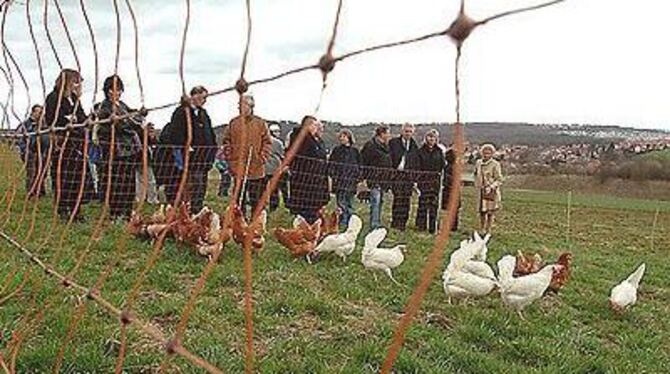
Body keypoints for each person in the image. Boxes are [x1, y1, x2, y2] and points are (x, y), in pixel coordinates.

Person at [93, 75, 144, 219]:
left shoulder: (122, 105)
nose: (118, 93)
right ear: (108, 91)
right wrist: (132, 122)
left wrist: (139, 114)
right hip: (114, 152)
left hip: (129, 151)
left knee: (129, 183)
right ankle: (115, 214)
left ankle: (127, 212)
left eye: (120, 90)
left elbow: (135, 118)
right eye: (115, 89)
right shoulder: (104, 108)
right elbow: (124, 125)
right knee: (117, 183)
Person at [161, 86, 217, 213]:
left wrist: (212, 151)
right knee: (188, 187)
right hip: (189, 159)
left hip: (203, 159)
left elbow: (210, 134)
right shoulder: (181, 112)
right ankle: (185, 212)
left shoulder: (203, 113)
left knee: (200, 187)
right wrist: (185, 147)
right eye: (203, 97)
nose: (204, 101)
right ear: (194, 96)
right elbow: (175, 134)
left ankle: (196, 211)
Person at [44, 69, 89, 220]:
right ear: (68, 81)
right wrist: (68, 121)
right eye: (76, 81)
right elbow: (51, 119)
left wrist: (83, 120)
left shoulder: (75, 99)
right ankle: (63, 210)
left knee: (77, 177)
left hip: (77, 142)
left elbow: (81, 116)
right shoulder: (53, 97)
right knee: (62, 177)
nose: (79, 85)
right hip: (62, 143)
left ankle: (76, 210)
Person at [222, 94, 272, 215]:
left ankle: (255, 226)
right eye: (239, 105)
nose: (239, 107)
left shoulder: (260, 123)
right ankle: (239, 225)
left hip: (256, 169)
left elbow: (267, 142)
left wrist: (262, 158)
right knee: (239, 201)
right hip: (237, 168)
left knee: (257, 201)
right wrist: (230, 158)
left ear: (251, 106)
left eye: (242, 105)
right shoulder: (233, 123)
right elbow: (226, 141)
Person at [287, 116, 329, 224]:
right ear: (308, 125)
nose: (317, 128)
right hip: (305, 181)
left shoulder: (314, 140)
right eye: (315, 125)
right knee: (306, 211)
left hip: (316, 180)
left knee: (313, 210)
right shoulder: (302, 139)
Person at [360, 125, 393, 230]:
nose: (389, 135)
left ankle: (377, 221)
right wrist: (365, 177)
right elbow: (364, 161)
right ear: (382, 134)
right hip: (374, 178)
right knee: (375, 201)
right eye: (388, 133)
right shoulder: (370, 146)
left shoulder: (386, 146)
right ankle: (374, 224)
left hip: (384, 179)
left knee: (380, 201)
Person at [388, 123, 419, 230]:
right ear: (402, 131)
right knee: (398, 199)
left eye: (410, 131)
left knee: (406, 200)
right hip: (397, 175)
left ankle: (403, 223)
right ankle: (395, 222)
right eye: (406, 131)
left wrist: (414, 178)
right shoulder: (393, 143)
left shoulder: (414, 145)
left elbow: (416, 163)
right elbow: (389, 158)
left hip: (408, 177)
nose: (408, 133)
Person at [414, 129, 445, 234]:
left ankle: (433, 226)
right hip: (423, 181)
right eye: (429, 137)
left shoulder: (439, 151)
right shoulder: (420, 151)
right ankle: (421, 226)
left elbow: (442, 165)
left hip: (435, 182)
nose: (431, 139)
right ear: (426, 138)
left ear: (436, 139)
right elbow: (417, 166)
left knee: (434, 204)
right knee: (423, 204)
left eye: (433, 137)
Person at [328, 129, 360, 228]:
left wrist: (358, 176)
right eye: (341, 136)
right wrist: (334, 175)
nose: (342, 138)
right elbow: (331, 164)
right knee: (341, 203)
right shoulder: (336, 150)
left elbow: (360, 165)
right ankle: (343, 222)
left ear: (349, 137)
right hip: (340, 181)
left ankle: (350, 222)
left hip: (351, 181)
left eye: (344, 136)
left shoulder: (355, 151)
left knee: (350, 203)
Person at [16, 104, 48, 197]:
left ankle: (40, 191)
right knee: (31, 172)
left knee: (41, 171)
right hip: (30, 151)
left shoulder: (43, 124)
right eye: (39, 112)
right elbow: (19, 137)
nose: (41, 114)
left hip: (41, 151)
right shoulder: (26, 124)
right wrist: (25, 150)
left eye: (42, 112)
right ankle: (30, 192)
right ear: (33, 112)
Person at [475, 143, 503, 234]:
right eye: (484, 152)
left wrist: (491, 186)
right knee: (482, 211)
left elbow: (499, 179)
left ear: (492, 154)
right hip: (481, 190)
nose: (486, 155)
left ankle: (488, 230)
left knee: (490, 212)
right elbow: (476, 174)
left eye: (488, 153)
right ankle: (482, 228)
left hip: (491, 191)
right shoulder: (478, 162)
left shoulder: (495, 164)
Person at [134, 122, 160, 205]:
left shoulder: (137, 132)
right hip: (143, 159)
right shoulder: (141, 133)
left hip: (139, 159)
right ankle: (152, 199)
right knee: (150, 180)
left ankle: (140, 197)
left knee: (140, 179)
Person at [265, 123, 286, 211]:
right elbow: (282, 155)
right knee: (275, 190)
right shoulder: (278, 143)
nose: (279, 133)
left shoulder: (263, 141)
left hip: (264, 169)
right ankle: (274, 207)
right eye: (277, 131)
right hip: (275, 170)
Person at [441, 144, 460, 231]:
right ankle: (453, 226)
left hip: (449, 189)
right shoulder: (455, 167)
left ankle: (452, 226)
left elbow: (447, 179)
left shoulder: (447, 168)